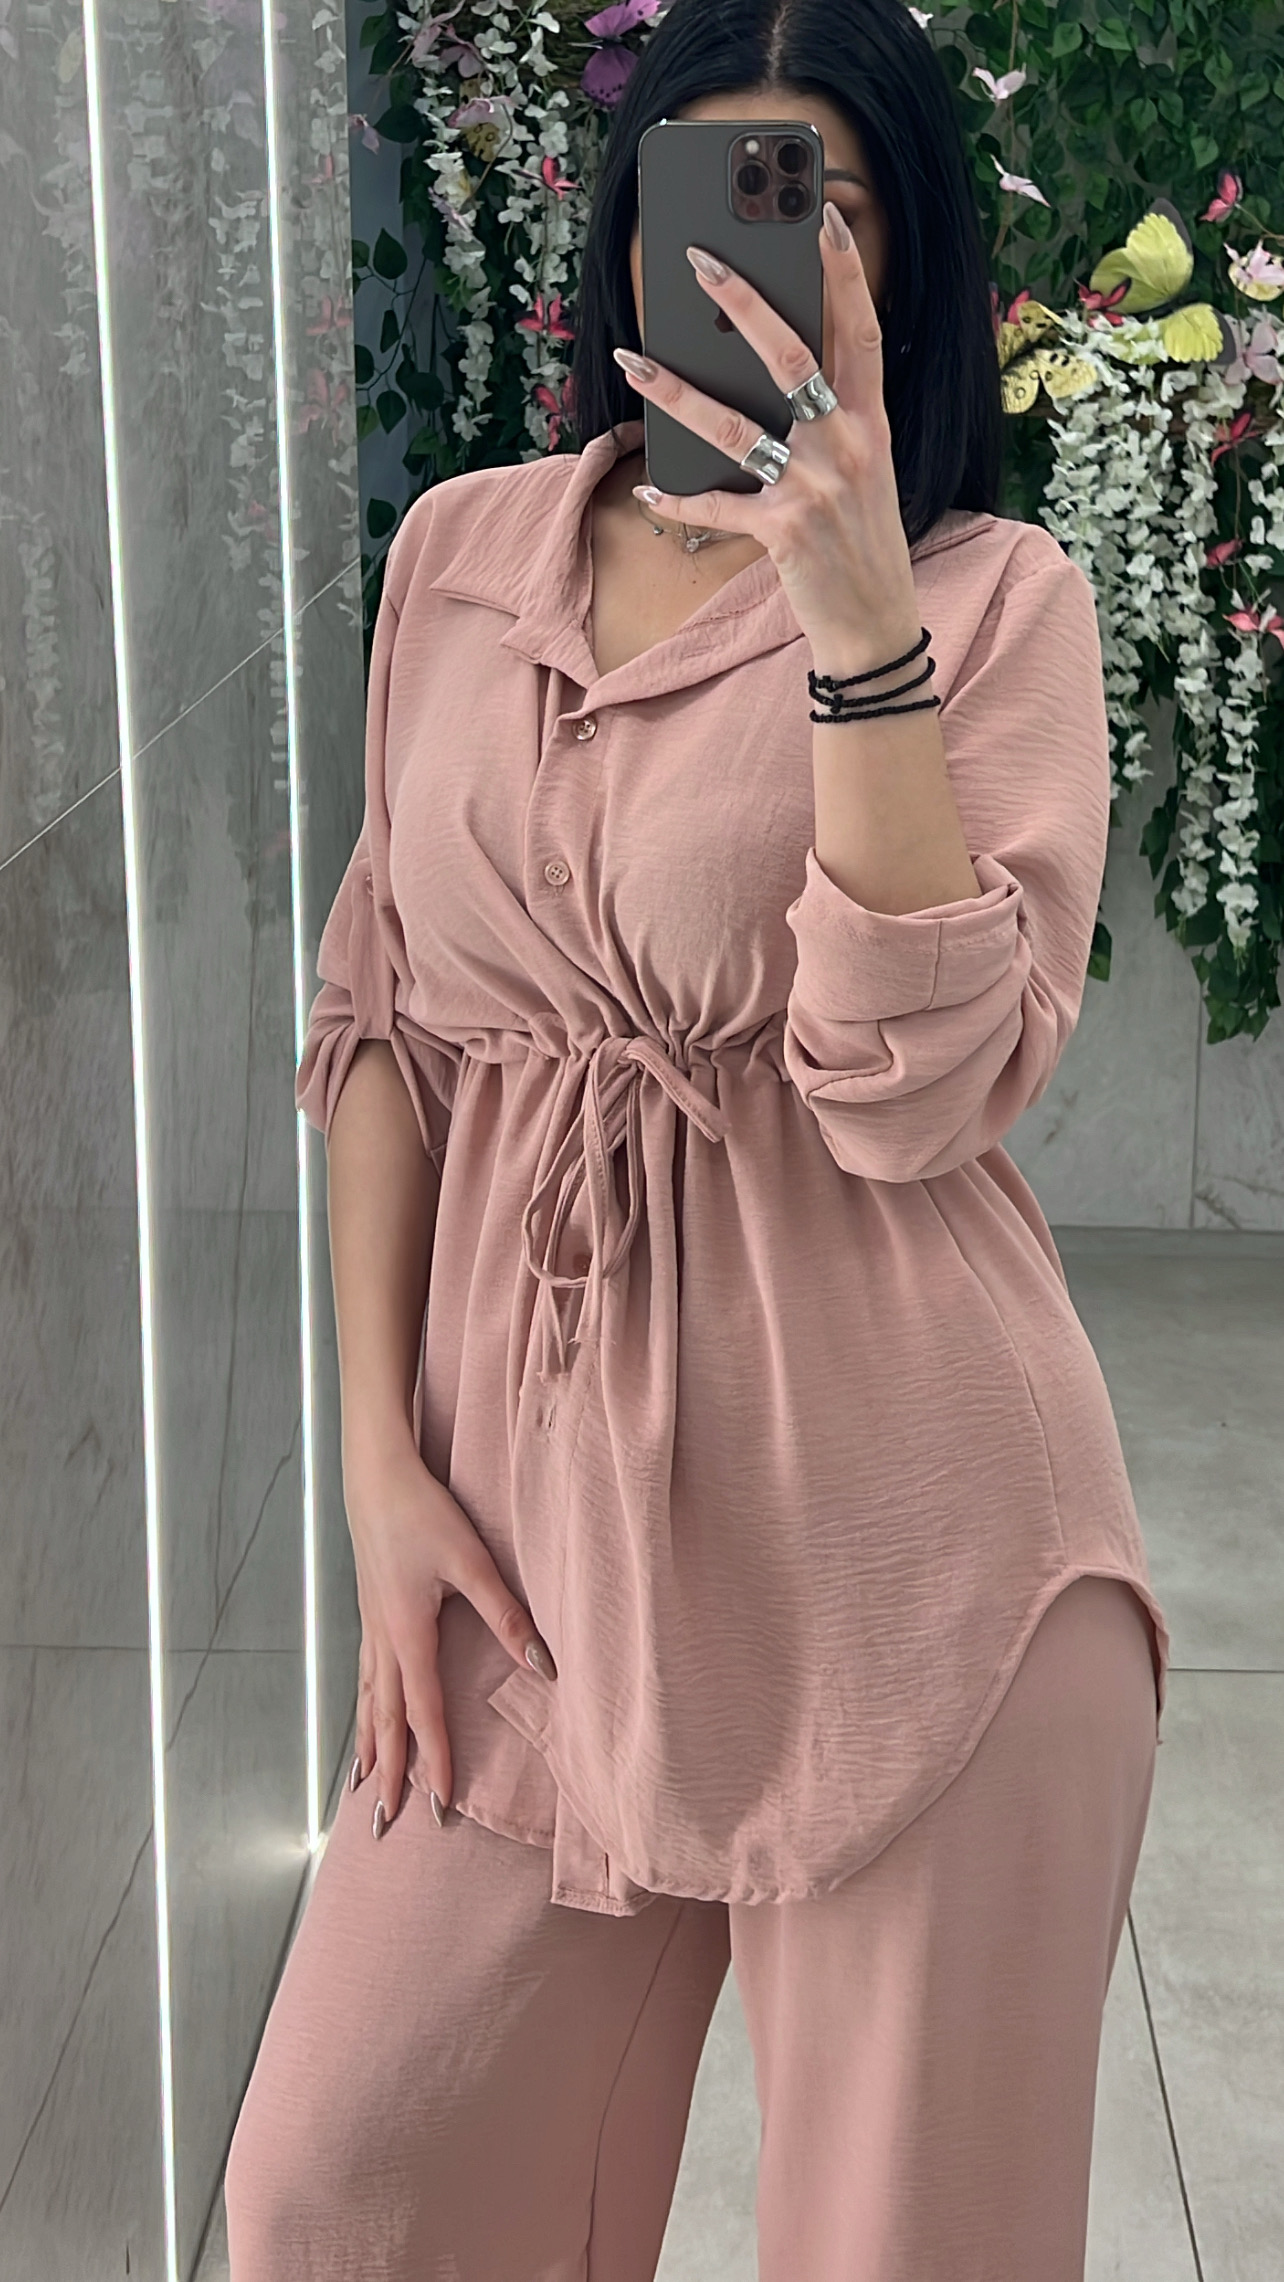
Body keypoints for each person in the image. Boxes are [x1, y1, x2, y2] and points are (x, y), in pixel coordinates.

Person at [225, 2, 1169, 2274]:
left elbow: (916, 1094)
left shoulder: (996, 606)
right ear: (624, 232)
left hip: (918, 1577)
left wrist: (858, 630)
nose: (748, 252)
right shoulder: (462, 556)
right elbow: (387, 1019)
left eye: (813, 201)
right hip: (522, 1563)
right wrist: (379, 1469)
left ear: (899, 257)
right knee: (341, 2193)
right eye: (706, 190)